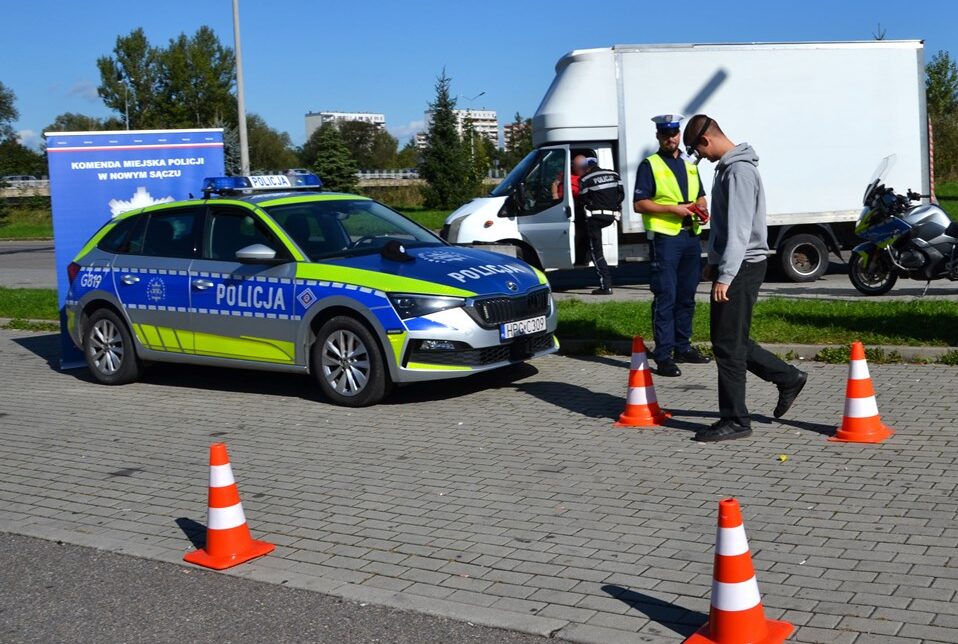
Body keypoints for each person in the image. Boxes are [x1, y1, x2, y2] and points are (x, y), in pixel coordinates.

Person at [682, 114, 808, 442]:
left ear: (706, 140)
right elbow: (724, 226)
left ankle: (736, 420)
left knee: (727, 347)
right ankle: (788, 377)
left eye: (699, 151)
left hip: (743, 266)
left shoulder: (738, 171)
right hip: (736, 265)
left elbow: (739, 230)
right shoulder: (728, 169)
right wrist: (714, 261)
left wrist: (725, 274)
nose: (702, 158)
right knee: (730, 341)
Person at [634, 114, 711, 377]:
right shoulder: (650, 165)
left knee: (687, 295)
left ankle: (683, 346)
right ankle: (664, 355)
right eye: (666, 135)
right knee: (666, 295)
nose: (671, 138)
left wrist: (702, 207)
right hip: (666, 238)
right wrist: (672, 209)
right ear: (658, 136)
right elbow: (639, 203)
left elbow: (700, 194)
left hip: (691, 236)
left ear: (679, 134)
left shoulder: (690, 164)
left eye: (674, 134)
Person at [578, 156, 623, 295]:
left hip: (596, 218)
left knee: (596, 252)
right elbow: (621, 195)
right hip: (611, 216)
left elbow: (583, 199)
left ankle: (606, 286)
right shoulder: (614, 174)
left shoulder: (585, 179)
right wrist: (613, 206)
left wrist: (593, 206)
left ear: (586, 167)